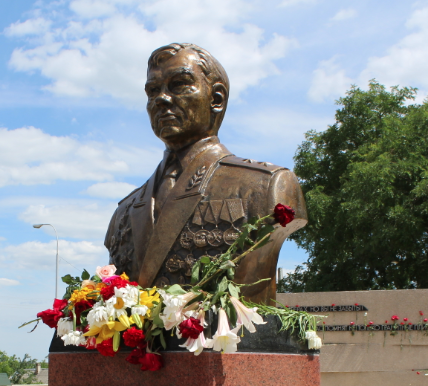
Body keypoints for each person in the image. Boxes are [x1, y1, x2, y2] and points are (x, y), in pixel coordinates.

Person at [104, 43, 307, 303]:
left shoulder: (266, 186)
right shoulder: (124, 211)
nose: (161, 99)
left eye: (178, 84)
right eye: (153, 90)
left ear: (216, 99)